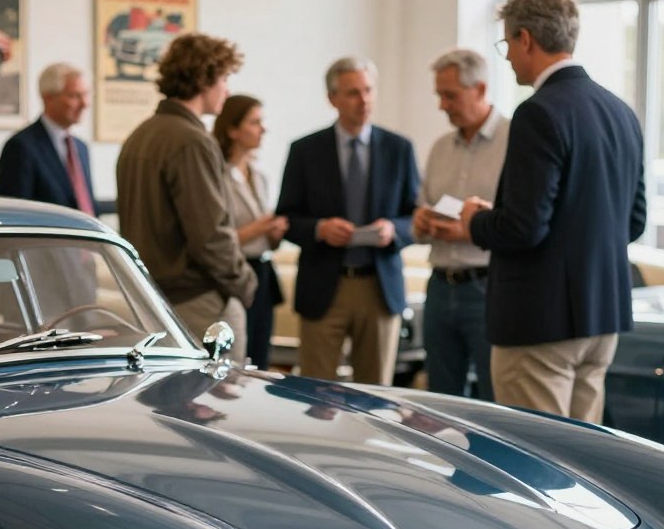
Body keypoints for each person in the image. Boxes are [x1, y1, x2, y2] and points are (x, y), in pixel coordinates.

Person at [460, 0, 645, 424]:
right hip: (602, 315)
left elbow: (523, 228)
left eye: (507, 43)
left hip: (540, 321)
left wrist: (476, 220)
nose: (506, 57)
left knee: (538, 467)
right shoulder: (620, 111)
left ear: (526, 39)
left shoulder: (538, 112)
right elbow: (632, 222)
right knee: (585, 464)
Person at [276, 57, 419, 385]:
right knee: (316, 394)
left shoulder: (399, 149)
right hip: (325, 285)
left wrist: (393, 229)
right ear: (333, 99)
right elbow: (286, 218)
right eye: (353, 92)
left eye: (369, 90)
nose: (364, 100)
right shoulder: (305, 151)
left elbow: (416, 218)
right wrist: (319, 229)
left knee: (376, 393)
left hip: (379, 287)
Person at [117, 32, 256, 356]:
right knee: (219, 402)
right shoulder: (192, 140)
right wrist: (245, 282)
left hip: (152, 299)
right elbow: (210, 235)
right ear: (204, 78)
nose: (227, 89)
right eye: (223, 77)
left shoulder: (140, 135)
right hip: (199, 303)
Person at [412, 48, 508, 398]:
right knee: (439, 400)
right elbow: (421, 208)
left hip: (488, 287)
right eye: (439, 95)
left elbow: (522, 220)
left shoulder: (516, 140)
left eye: (449, 95)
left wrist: (470, 230)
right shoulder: (440, 148)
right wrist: (421, 221)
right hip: (439, 286)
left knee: (492, 399)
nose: (442, 105)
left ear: (480, 90)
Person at [0, 63, 99, 315]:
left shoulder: (80, 148)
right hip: (42, 276)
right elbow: (14, 221)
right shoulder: (21, 147)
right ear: (48, 97)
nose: (85, 103)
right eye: (75, 96)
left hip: (83, 267)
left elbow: (82, 204)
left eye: (87, 95)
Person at [212, 94, 288, 369]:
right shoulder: (217, 177)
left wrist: (274, 233)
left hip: (263, 272)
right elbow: (216, 237)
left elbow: (266, 238)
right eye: (254, 122)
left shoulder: (259, 176)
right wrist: (259, 228)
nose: (262, 129)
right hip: (235, 271)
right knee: (237, 356)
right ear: (233, 130)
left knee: (260, 354)